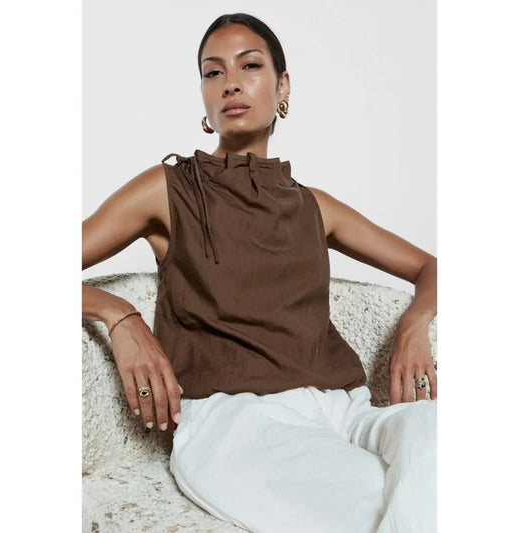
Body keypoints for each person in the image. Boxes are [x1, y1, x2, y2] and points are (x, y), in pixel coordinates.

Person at [82, 12, 437, 533]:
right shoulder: (168, 190)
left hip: (346, 411)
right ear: (204, 97)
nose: (230, 83)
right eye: (213, 72)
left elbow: (430, 266)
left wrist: (414, 324)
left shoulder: (314, 207)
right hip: (238, 422)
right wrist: (117, 314)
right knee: (368, 501)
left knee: (442, 439)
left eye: (249, 66)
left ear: (282, 86)